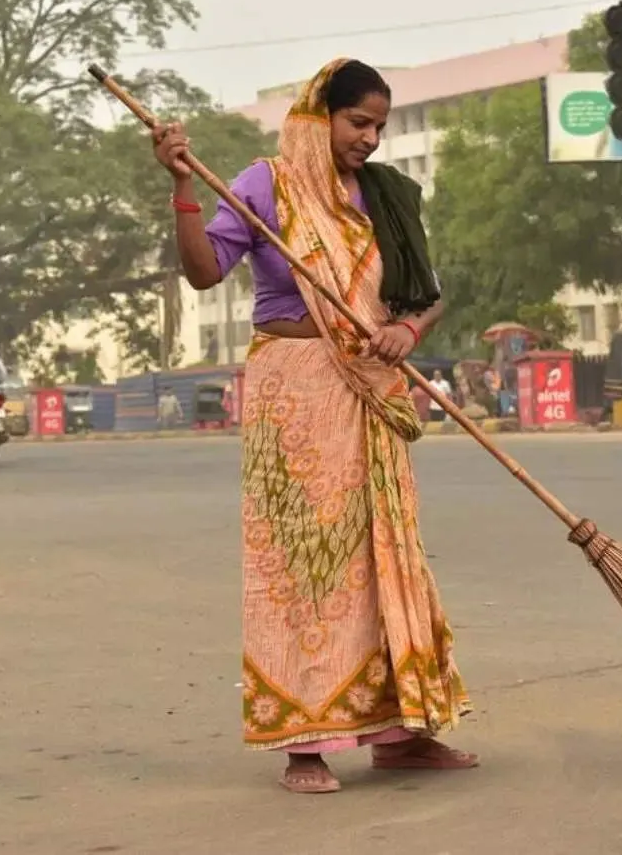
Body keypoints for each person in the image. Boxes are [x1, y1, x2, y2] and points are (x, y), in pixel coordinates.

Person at [152, 58, 475, 795]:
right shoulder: (266, 183)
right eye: (358, 122)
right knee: (304, 564)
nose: (370, 138)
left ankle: (399, 733)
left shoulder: (386, 195)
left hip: (369, 387)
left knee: (383, 556)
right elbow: (206, 273)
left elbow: (428, 295)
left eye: (380, 126)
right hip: (294, 392)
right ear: (317, 112)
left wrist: (407, 331)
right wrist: (180, 187)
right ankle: (305, 742)